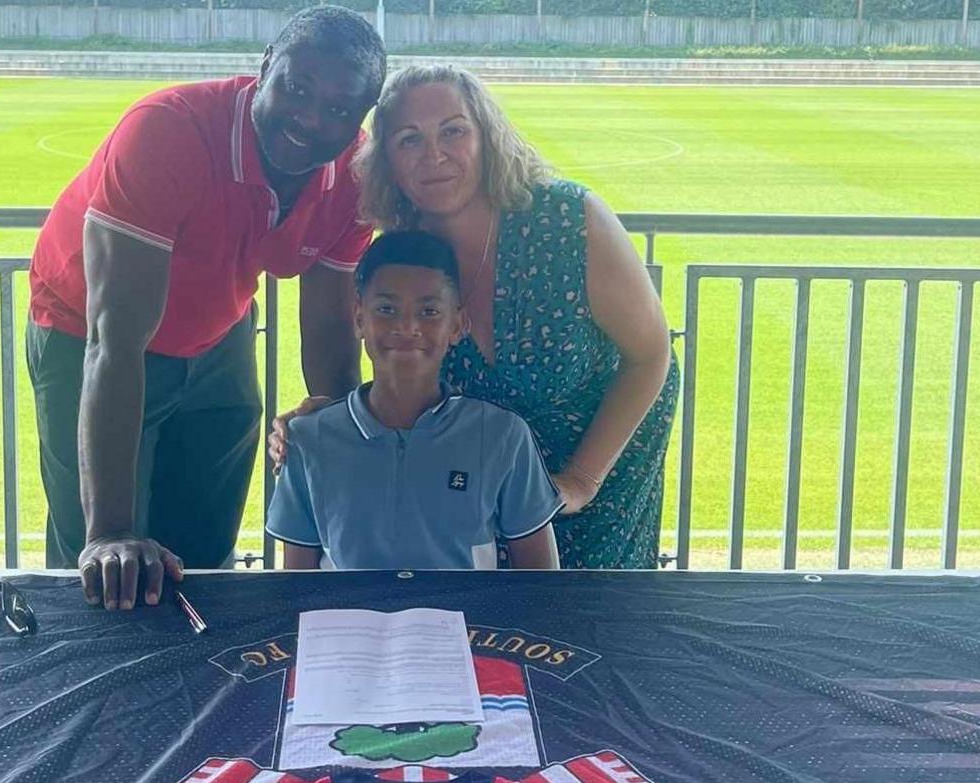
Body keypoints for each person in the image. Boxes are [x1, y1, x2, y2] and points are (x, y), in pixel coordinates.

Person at [26, 6, 386, 609]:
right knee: (104, 572)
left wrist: (335, 421)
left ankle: (195, 698)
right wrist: (111, 531)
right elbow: (114, 339)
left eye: (338, 109)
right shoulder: (168, 130)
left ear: (360, 117)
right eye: (296, 88)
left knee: (202, 564)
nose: (308, 118)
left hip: (219, 331)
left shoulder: (356, 173)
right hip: (86, 330)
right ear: (265, 67)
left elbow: (328, 324)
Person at [272, 65, 679, 569]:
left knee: (593, 623)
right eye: (409, 140)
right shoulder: (404, 254)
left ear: (487, 135)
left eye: (453, 131)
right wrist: (324, 419)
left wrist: (581, 480)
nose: (434, 155)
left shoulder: (568, 222)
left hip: (601, 464)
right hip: (484, 481)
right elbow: (399, 369)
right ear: (387, 162)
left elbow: (651, 355)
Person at [267, 231, 562, 570]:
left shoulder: (502, 436)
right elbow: (295, 583)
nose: (407, 326)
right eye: (387, 309)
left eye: (429, 311)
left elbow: (541, 581)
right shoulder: (308, 439)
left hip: (466, 622)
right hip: (348, 623)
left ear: (458, 324)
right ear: (359, 318)